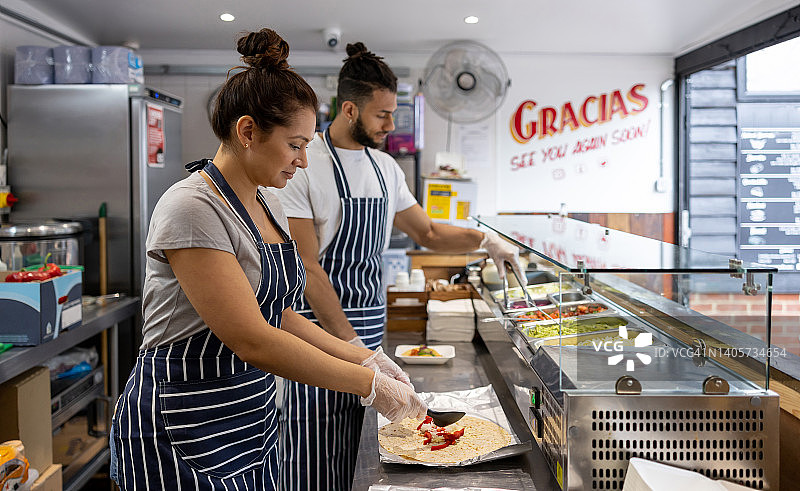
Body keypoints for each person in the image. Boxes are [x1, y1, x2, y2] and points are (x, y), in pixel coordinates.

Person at [108, 29, 426, 491]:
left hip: (247, 415)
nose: (304, 161)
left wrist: (365, 358)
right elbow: (252, 339)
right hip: (183, 422)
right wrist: (368, 386)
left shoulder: (267, 202)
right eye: (296, 145)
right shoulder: (193, 208)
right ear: (247, 132)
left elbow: (280, 315)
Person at [273, 42, 525, 490]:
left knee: (371, 445)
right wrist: (350, 343)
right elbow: (308, 267)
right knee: (315, 446)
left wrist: (486, 241)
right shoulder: (305, 166)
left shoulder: (386, 168)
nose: (391, 125)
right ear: (350, 109)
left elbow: (427, 232)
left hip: (370, 328)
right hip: (319, 333)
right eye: (383, 115)